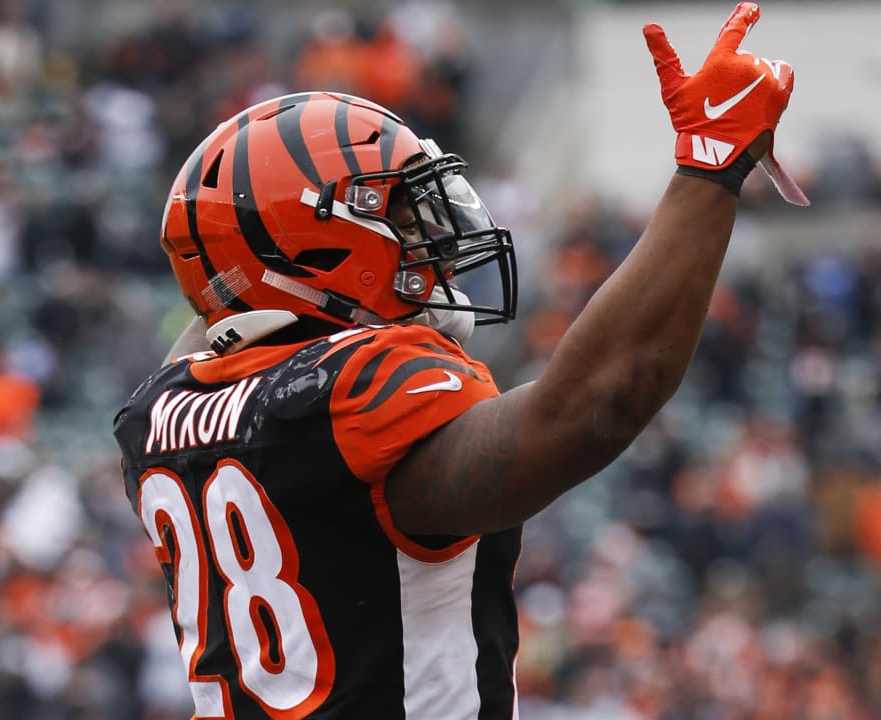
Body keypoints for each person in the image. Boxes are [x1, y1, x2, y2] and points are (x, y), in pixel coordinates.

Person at [112, 3, 805, 717]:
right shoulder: (352, 391)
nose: (431, 236)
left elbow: (227, 301)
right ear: (312, 249)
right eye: (401, 214)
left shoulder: (157, 412)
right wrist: (710, 168)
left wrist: (246, 236)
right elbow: (596, 406)